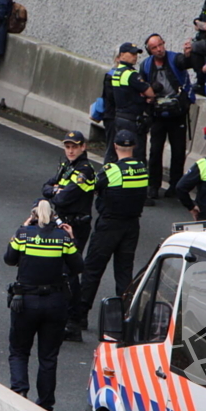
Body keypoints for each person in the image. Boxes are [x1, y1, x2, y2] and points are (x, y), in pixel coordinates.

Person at [4, 200, 83, 411]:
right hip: (55, 302)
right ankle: (46, 403)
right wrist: (72, 238)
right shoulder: (63, 238)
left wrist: (22, 227)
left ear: (33, 216)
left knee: (19, 351)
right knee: (48, 357)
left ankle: (19, 391)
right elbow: (78, 266)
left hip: (25, 301)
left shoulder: (23, 234)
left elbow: (9, 259)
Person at [78, 130, 149, 322]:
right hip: (132, 226)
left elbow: (91, 187)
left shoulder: (111, 170)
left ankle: (79, 316)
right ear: (134, 146)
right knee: (124, 273)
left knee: (92, 270)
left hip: (109, 226)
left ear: (115, 146)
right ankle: (124, 319)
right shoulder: (142, 169)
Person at [40, 130, 96, 342]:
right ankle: (68, 317)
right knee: (60, 270)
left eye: (74, 146)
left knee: (69, 272)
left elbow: (62, 198)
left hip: (76, 226)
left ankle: (74, 321)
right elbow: (46, 187)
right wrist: (55, 190)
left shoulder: (84, 170)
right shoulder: (66, 166)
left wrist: (56, 191)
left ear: (83, 147)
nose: (70, 150)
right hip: (63, 223)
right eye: (68, 146)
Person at [140, 34, 194, 205]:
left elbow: (185, 63)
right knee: (155, 151)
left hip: (177, 113)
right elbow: (143, 87)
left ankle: (175, 186)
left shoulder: (174, 58)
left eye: (161, 45)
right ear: (149, 50)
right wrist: (148, 98)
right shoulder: (146, 65)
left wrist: (188, 55)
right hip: (157, 115)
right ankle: (153, 186)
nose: (159, 49)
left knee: (178, 151)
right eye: (154, 47)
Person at [111, 42, 155, 161]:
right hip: (132, 120)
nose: (135, 57)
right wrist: (146, 95)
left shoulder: (116, 72)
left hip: (120, 117)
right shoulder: (131, 74)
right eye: (131, 54)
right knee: (137, 156)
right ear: (122, 55)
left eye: (136, 54)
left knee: (122, 154)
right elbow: (150, 93)